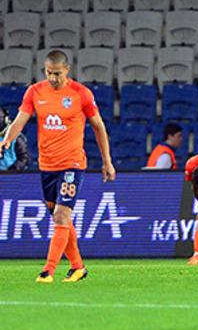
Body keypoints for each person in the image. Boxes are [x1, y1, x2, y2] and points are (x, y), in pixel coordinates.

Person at [0, 50, 115, 283]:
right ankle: (78, 267)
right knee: (58, 216)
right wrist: (7, 139)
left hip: (72, 164)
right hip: (47, 166)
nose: (53, 78)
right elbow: (20, 120)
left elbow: (99, 126)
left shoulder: (81, 94)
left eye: (57, 74)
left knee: (62, 216)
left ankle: (48, 270)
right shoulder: (34, 92)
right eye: (49, 73)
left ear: (67, 70)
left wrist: (107, 162)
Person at [0, 106, 31, 171]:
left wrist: (12, 170)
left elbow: (24, 159)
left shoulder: (17, 137)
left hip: (11, 176)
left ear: (6, 119)